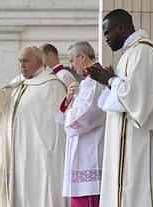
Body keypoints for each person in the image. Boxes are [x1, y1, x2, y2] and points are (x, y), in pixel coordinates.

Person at [86, 9, 153, 207]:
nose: (105, 38)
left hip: (138, 144)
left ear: (122, 28)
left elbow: (137, 100)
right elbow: (121, 96)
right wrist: (108, 80)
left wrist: (110, 80)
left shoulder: (144, 51)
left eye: (107, 32)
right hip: (126, 143)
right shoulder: (129, 54)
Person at [0, 46, 67, 207]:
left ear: (39, 61)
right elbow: (1, 101)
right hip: (14, 155)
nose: (22, 65)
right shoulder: (18, 83)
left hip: (38, 158)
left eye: (26, 61)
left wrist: (47, 155)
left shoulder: (52, 86)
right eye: (20, 61)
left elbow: (56, 127)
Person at [59, 41, 105, 207]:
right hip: (83, 157)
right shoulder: (87, 82)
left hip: (90, 158)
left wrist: (68, 116)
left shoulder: (95, 81)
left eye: (72, 60)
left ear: (82, 57)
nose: (71, 66)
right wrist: (71, 100)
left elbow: (85, 117)